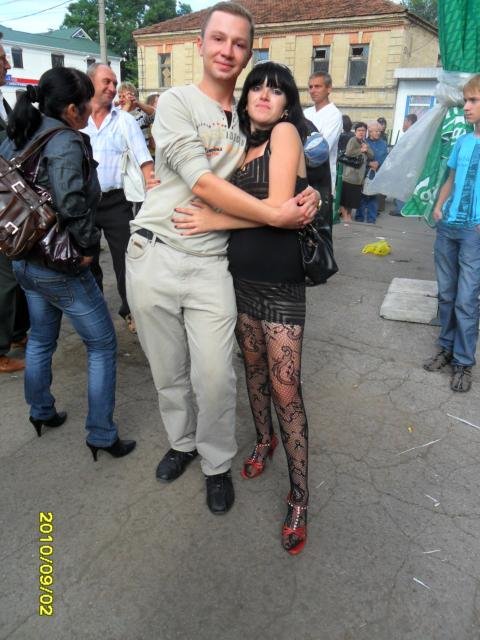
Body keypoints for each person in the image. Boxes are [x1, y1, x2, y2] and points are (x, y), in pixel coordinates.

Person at [125, 2, 317, 516]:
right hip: (155, 251)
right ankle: (182, 443)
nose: (227, 50)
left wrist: (311, 193)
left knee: (215, 376)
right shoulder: (176, 103)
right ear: (200, 44)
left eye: (239, 43)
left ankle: (216, 464)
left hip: (212, 263)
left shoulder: (250, 119)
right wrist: (277, 215)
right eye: (218, 39)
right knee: (168, 371)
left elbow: (283, 166)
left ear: (248, 53)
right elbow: (203, 181)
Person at [173, 62, 311, 555]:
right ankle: (263, 440)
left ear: (287, 103)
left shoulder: (286, 135)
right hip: (240, 278)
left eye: (277, 90)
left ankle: (299, 497)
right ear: (246, 96)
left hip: (280, 282)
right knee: (252, 370)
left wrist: (214, 220)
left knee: (284, 387)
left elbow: (278, 208)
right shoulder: (238, 145)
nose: (265, 95)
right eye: (257, 87)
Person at [0, 67, 135, 459]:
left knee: (42, 338)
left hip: (24, 256)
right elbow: (71, 201)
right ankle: (101, 434)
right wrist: (88, 246)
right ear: (73, 108)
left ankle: (40, 410)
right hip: (58, 263)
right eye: (87, 102)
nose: (91, 108)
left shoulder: (20, 132)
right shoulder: (64, 140)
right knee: (103, 344)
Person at [82, 64, 153, 333]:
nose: (113, 88)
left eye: (114, 83)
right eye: (107, 82)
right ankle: (95, 315)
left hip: (117, 201)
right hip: (84, 204)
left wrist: (152, 191)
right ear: (90, 83)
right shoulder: (77, 119)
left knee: (126, 260)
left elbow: (144, 159)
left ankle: (130, 310)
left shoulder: (124, 120)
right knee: (87, 261)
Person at [423, 74, 480, 393]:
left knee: (467, 299)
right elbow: (451, 179)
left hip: (474, 232)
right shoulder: (463, 141)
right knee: (446, 294)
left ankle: (463, 361)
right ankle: (446, 348)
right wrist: (438, 206)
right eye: (465, 100)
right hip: (449, 226)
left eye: (473, 101)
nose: (466, 107)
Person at [0, 32, 29, 373]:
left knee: (14, 273)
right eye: (2, 59)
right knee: (6, 279)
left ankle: (17, 333)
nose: (8, 64)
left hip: (8, 202)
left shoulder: (4, 100)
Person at [304, 71, 343, 194]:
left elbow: (319, 150)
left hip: (321, 179)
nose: (313, 90)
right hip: (302, 177)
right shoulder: (305, 113)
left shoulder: (334, 115)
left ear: (329, 88)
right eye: (310, 87)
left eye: (317, 86)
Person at [338, 122, 373, 224]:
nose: (361, 132)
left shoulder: (364, 142)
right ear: (355, 131)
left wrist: (366, 149)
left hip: (359, 177)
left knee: (352, 200)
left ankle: (348, 215)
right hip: (350, 175)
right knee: (345, 198)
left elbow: (371, 155)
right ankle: (345, 216)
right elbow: (349, 152)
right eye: (359, 130)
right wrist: (361, 150)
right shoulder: (353, 140)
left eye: (363, 130)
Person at [355, 121, 388, 223]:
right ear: (370, 132)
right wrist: (369, 163)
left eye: (379, 131)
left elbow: (385, 156)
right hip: (365, 171)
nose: (378, 133)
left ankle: (371, 218)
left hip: (377, 172)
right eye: (376, 131)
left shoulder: (383, 143)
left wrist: (378, 162)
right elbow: (359, 156)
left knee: (374, 196)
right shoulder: (364, 142)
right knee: (362, 195)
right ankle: (359, 217)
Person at [116, 81, 156, 145]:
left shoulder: (141, 113)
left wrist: (137, 103)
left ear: (132, 96)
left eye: (124, 96)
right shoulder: (116, 113)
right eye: (119, 97)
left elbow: (154, 115)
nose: (121, 100)